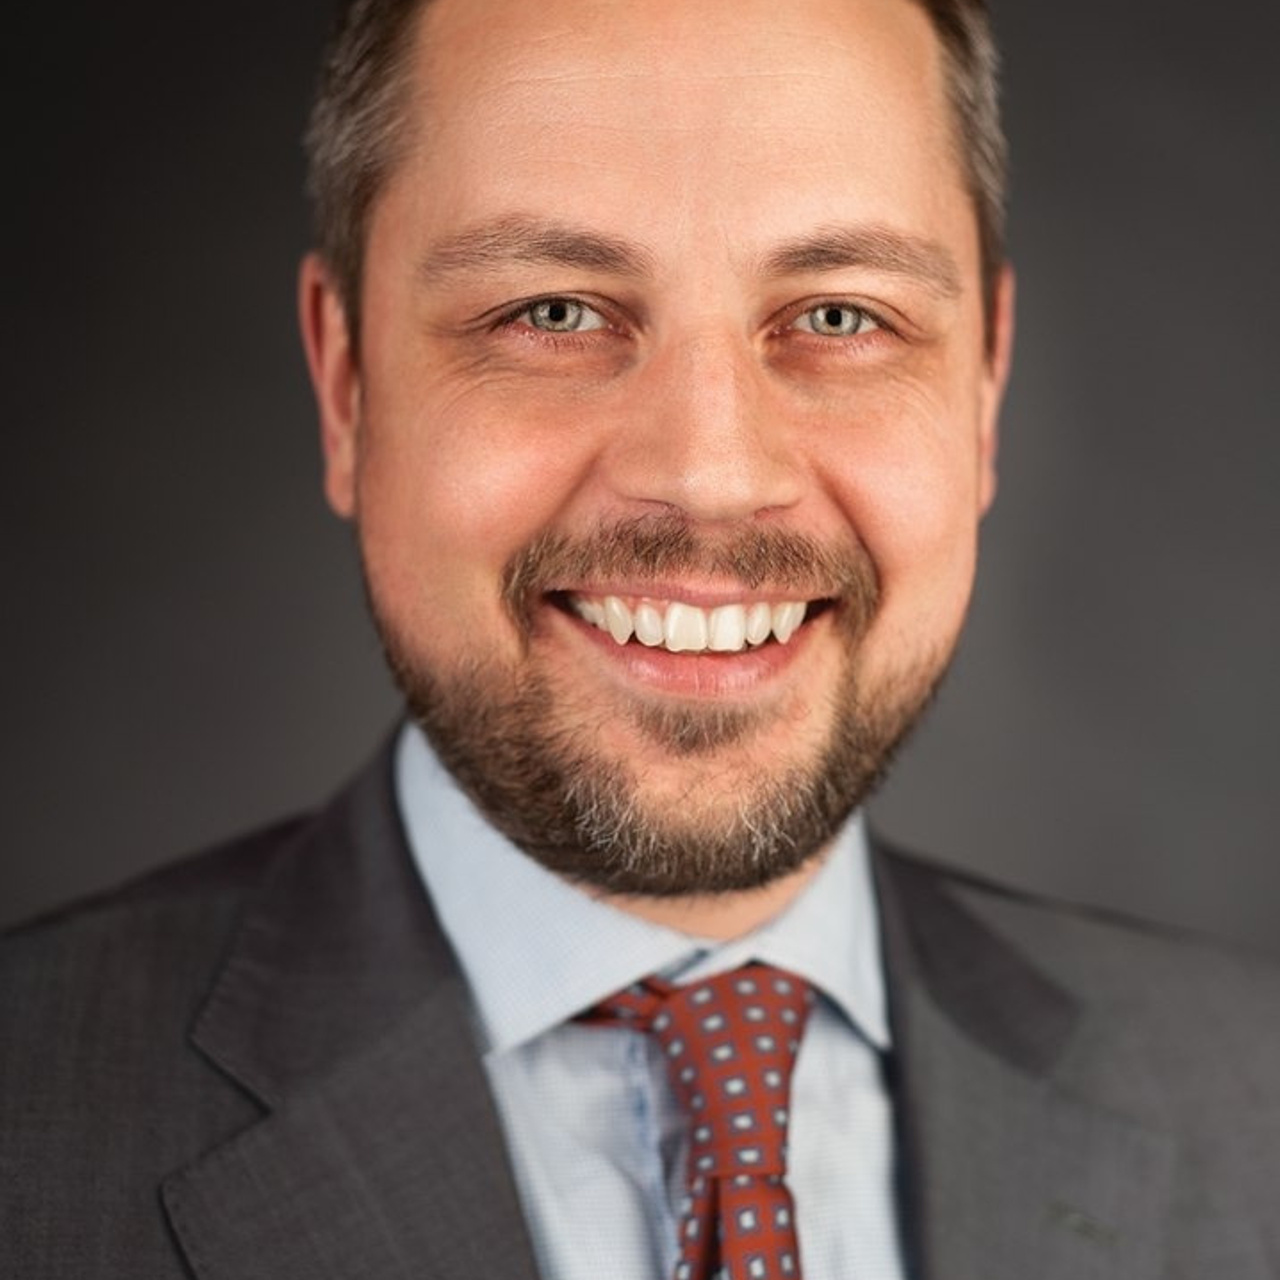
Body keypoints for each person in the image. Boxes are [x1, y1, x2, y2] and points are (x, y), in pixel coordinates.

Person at [2, 0, 1277, 1276]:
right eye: (552, 312)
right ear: (346, 384)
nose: (711, 473)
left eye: (837, 316)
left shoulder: (1248, 1094)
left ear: (983, 385)